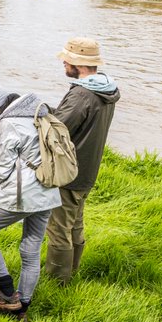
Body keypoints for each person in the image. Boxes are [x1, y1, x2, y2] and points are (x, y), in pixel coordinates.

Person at [0, 82, 63, 322]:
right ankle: (21, 310)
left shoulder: (9, 121)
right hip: (49, 192)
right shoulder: (37, 112)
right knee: (30, 250)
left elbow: (3, 164)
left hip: (22, 196)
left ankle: (5, 290)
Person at [45, 37, 120, 284]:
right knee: (75, 223)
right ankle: (72, 272)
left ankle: (57, 281)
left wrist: (43, 114)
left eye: (66, 59)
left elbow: (58, 128)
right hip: (88, 169)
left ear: (77, 62)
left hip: (69, 170)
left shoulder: (81, 95)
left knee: (58, 228)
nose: (63, 63)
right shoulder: (106, 89)